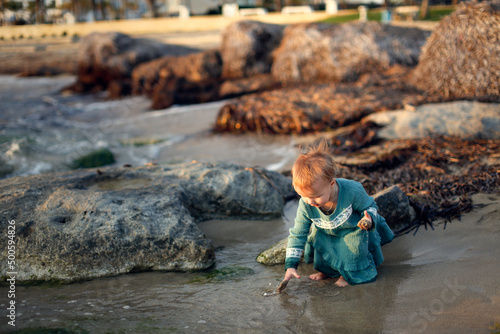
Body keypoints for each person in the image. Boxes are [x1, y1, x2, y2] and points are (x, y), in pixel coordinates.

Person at [282, 141, 394, 288]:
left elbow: (370, 206)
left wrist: (368, 219)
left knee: (353, 249)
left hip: (351, 229)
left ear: (332, 183)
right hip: (326, 232)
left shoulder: (352, 190)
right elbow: (298, 233)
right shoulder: (306, 203)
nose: (310, 201)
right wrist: (291, 265)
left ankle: (346, 275)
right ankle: (328, 271)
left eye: (316, 196)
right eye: (303, 196)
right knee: (318, 241)